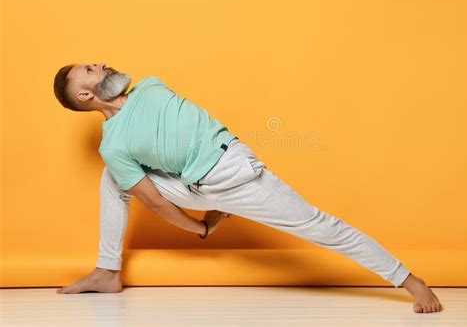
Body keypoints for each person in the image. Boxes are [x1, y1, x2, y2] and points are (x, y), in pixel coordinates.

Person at [52, 63, 442, 313]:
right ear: (85, 96)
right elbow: (153, 202)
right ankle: (107, 272)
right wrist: (200, 227)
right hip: (195, 187)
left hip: (236, 175)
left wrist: (204, 220)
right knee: (116, 177)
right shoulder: (113, 145)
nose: (100, 63)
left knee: (322, 227)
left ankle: (411, 281)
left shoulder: (150, 85)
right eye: (90, 69)